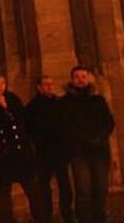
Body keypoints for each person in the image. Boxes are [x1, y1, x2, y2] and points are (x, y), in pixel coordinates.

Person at [0, 74, 47, 223]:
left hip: (20, 154)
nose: (0, 86)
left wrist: (6, 108)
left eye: (3, 82)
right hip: (1, 156)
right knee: (3, 196)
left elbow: (22, 120)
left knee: (33, 192)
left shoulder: (12, 99)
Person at [62, 66, 115, 223]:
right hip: (79, 152)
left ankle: (100, 218)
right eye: (77, 77)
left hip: (99, 151)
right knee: (83, 190)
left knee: (100, 189)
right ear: (72, 80)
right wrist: (86, 138)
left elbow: (109, 122)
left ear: (88, 78)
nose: (80, 79)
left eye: (83, 76)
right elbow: (67, 125)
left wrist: (99, 137)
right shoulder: (66, 102)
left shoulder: (98, 100)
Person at [26, 75, 75, 223]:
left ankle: (67, 212)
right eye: (46, 84)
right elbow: (29, 129)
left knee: (65, 185)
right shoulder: (32, 106)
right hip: (43, 153)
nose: (49, 87)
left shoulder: (58, 103)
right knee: (44, 188)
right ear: (39, 87)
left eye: (51, 84)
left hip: (59, 151)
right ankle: (46, 215)